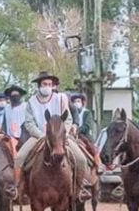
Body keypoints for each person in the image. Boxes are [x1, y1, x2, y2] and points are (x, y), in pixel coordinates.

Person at [14, 72, 95, 201]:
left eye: (50, 84)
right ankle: (17, 188)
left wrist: (64, 133)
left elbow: (67, 119)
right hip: (38, 136)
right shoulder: (31, 101)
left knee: (81, 159)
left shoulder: (61, 98)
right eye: (44, 84)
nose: (47, 86)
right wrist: (42, 136)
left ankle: (80, 189)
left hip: (60, 137)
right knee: (19, 158)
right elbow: (29, 123)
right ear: (39, 86)